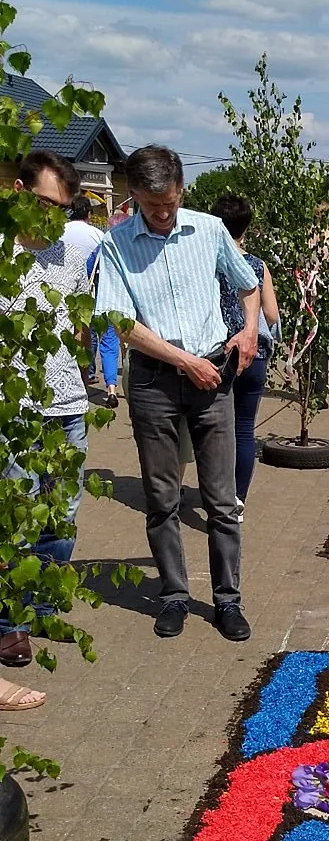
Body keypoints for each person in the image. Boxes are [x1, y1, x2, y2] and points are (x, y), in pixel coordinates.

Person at [95, 145, 260, 642]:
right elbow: (121, 322)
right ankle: (173, 594)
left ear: (181, 189)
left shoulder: (209, 231)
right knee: (163, 496)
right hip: (155, 381)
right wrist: (184, 361)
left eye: (168, 203)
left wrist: (249, 331)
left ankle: (227, 600)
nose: (162, 214)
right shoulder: (117, 243)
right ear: (134, 197)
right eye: (151, 205)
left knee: (221, 498)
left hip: (213, 376)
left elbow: (248, 284)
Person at [0, 150, 91, 708]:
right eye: (45, 204)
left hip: (67, 406)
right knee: (15, 520)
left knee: (62, 516)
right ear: (17, 190)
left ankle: (40, 612)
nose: (55, 217)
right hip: (12, 410)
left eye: (64, 208)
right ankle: (8, 624)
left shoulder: (73, 249)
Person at [210, 194, 280, 523]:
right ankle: (237, 498)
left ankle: (217, 493)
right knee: (244, 428)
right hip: (254, 351)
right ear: (247, 226)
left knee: (213, 428)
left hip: (217, 352)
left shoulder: (208, 262)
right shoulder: (257, 264)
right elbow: (271, 312)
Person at [64, 196, 118, 407]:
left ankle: (80, 384)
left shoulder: (61, 233)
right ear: (89, 214)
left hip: (71, 297)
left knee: (79, 340)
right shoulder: (98, 236)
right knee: (107, 341)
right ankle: (110, 387)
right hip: (102, 295)